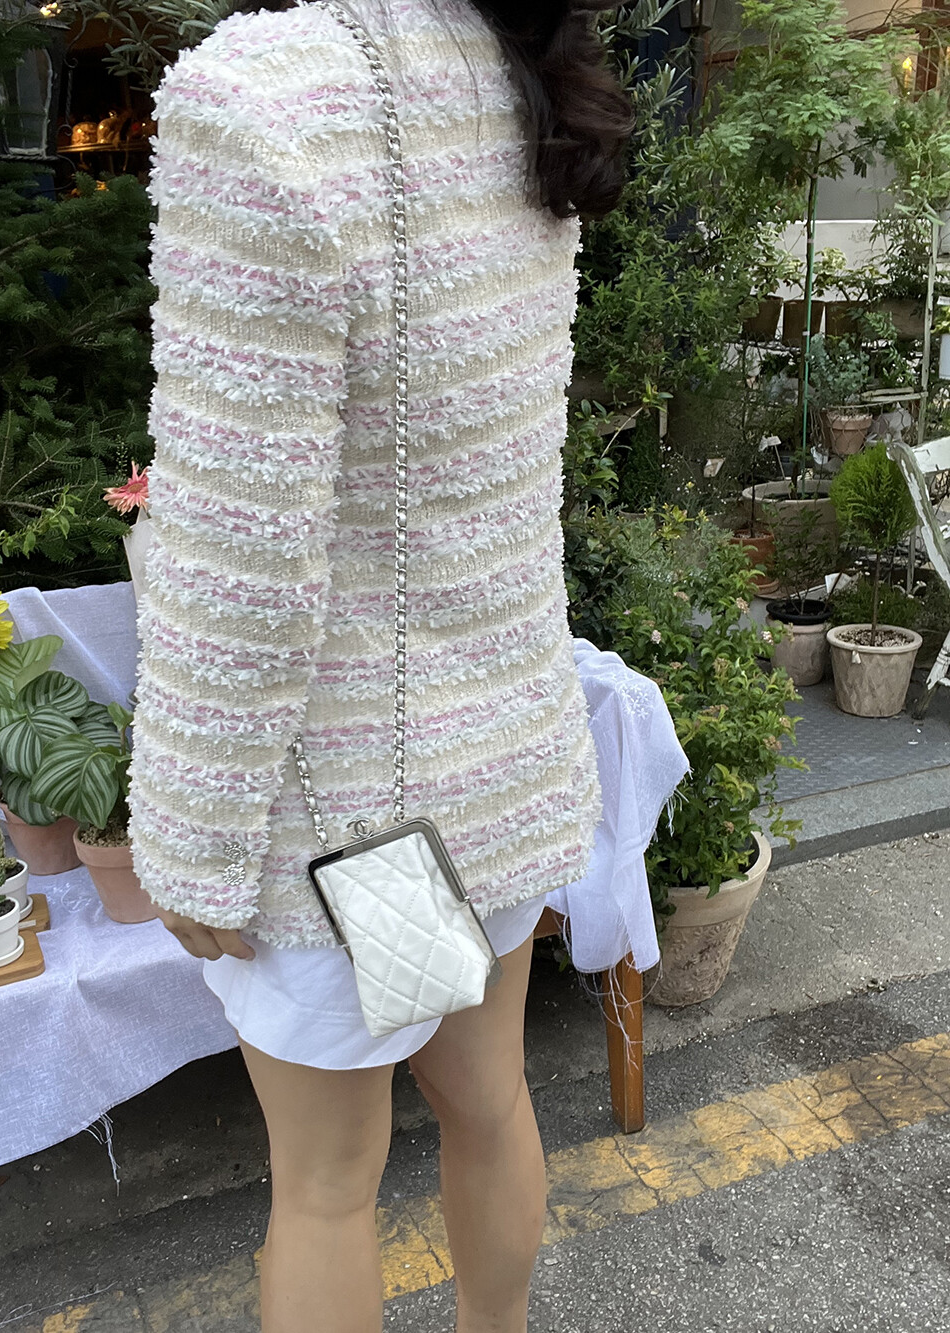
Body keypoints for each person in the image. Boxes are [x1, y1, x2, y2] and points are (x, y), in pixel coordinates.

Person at [128, 0, 631, 1327]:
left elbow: (241, 553)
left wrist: (189, 837)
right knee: (489, 1101)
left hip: (335, 810)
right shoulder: (509, 71)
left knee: (325, 1187)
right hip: (493, 767)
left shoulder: (261, 99)